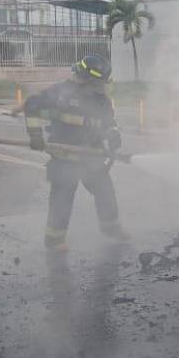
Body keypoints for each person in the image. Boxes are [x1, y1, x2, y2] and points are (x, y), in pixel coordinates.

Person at [23, 54, 128, 253]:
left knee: (105, 192)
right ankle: (54, 240)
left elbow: (109, 122)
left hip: (92, 158)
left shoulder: (101, 99)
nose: (101, 86)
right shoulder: (60, 92)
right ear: (86, 78)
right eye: (98, 82)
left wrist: (113, 134)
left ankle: (111, 228)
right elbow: (32, 105)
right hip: (64, 159)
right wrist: (35, 135)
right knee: (62, 199)